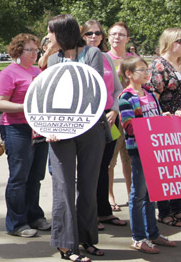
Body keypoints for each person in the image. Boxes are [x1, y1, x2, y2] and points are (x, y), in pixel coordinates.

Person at [46, 14, 105, 262]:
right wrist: (47, 124)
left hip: (90, 128)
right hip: (60, 131)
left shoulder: (92, 54)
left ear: (62, 33)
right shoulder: (52, 59)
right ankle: (66, 245)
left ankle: (86, 238)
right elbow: (49, 93)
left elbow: (90, 87)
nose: (48, 37)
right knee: (63, 186)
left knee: (88, 186)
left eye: (50, 33)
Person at [118, 56, 178, 254]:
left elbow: (156, 116)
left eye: (147, 70)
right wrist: (154, 123)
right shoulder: (126, 97)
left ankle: (152, 233)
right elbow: (129, 126)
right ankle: (138, 237)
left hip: (154, 148)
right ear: (129, 74)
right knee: (138, 194)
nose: (146, 74)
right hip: (139, 149)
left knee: (152, 193)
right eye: (141, 70)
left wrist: (164, 118)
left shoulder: (150, 94)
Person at [0, 33, 50, 239]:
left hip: (39, 129)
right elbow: (0, 103)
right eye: (30, 50)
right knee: (19, 177)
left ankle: (34, 215)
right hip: (17, 129)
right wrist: (26, 107)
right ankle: (16, 222)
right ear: (18, 51)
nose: (35, 54)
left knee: (36, 176)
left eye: (37, 50)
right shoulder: (8, 73)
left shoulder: (38, 71)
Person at [80, 21, 127, 234]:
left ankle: (104, 211)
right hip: (88, 120)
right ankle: (90, 214)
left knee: (104, 165)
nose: (93, 36)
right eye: (89, 33)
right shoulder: (78, 58)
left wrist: (115, 110)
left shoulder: (106, 58)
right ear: (81, 35)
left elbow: (117, 90)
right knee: (90, 168)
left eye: (97, 33)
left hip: (109, 118)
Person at [149, 28, 181, 227]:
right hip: (169, 125)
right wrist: (162, 117)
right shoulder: (159, 65)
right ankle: (164, 211)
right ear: (169, 42)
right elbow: (153, 97)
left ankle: (177, 210)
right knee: (168, 170)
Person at [106, 22, 133, 211]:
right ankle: (109, 195)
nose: (117, 37)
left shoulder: (135, 59)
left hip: (132, 114)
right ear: (108, 37)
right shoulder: (102, 58)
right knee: (110, 159)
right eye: (114, 34)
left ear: (128, 38)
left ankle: (133, 194)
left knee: (130, 158)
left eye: (121, 34)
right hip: (112, 117)